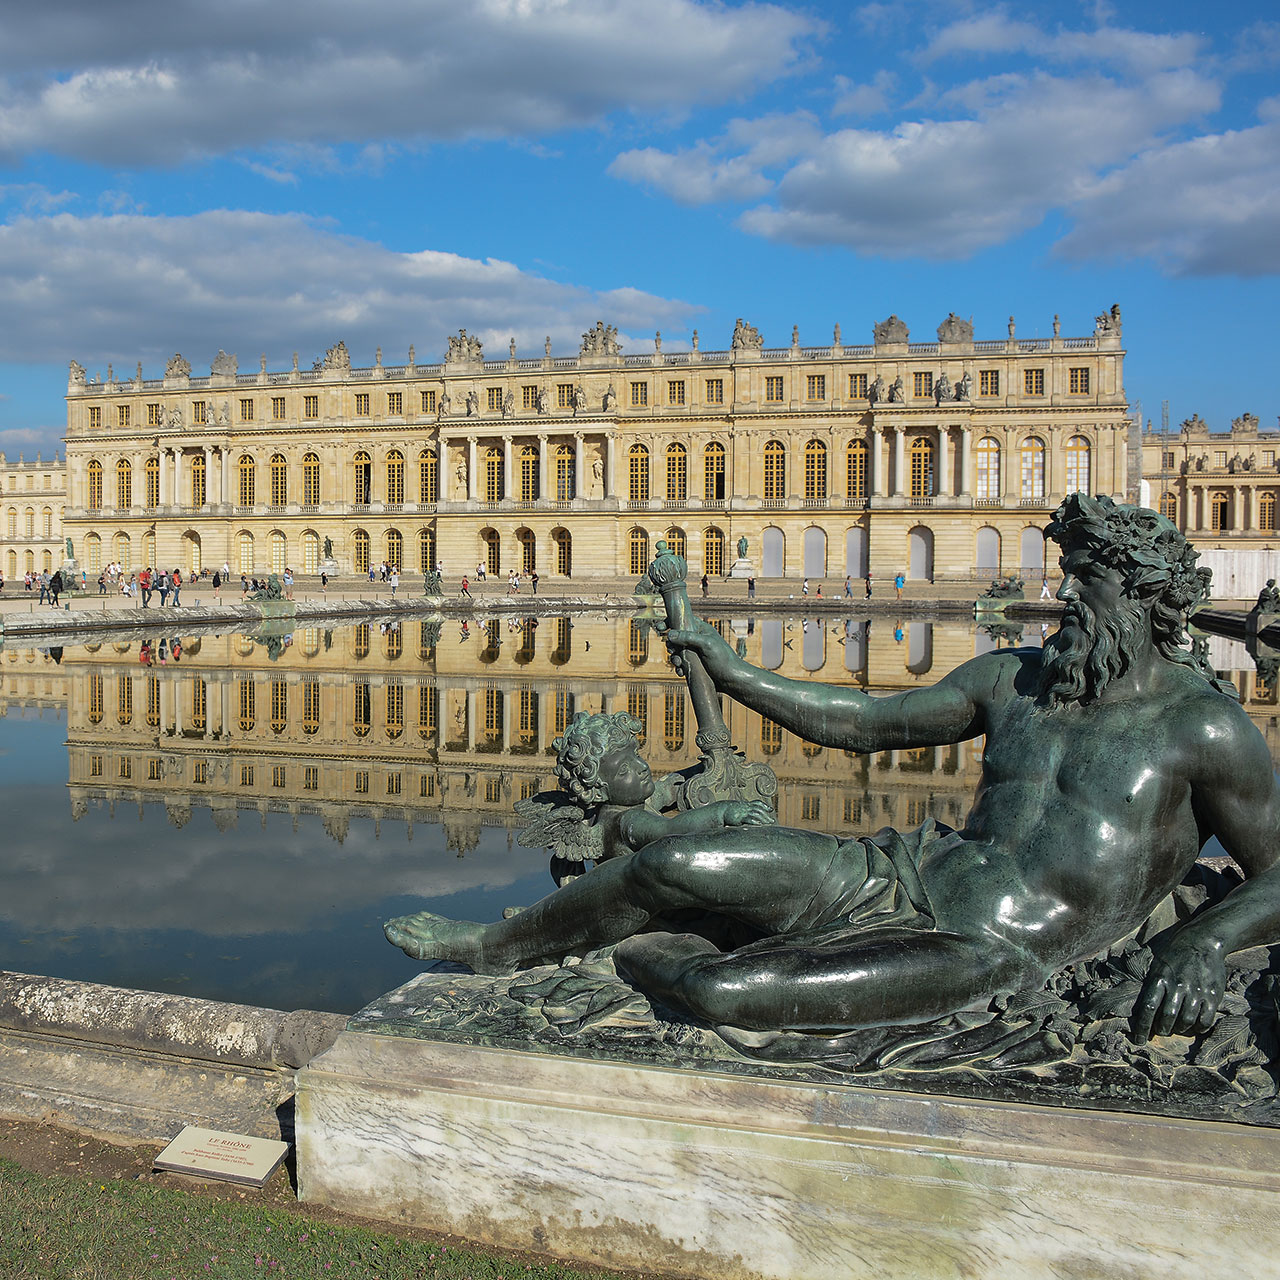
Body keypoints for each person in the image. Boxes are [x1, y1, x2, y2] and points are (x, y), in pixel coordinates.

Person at [383, 495, 1280, 1048]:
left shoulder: (1203, 726)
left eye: (1087, 582)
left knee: (723, 992)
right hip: (902, 871)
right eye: (1068, 576)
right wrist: (728, 666)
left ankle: (652, 947)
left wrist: (1202, 940)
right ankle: (492, 948)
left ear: (1146, 596)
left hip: (987, 949)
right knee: (669, 864)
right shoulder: (1017, 676)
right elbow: (864, 722)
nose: (1063, 597)